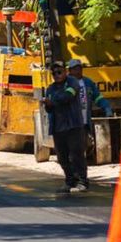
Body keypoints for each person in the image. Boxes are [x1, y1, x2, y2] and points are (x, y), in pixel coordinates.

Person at [42, 61, 89, 193]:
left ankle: (82, 181)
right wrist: (48, 104)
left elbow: (67, 96)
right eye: (54, 73)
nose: (57, 75)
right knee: (62, 157)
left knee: (76, 155)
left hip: (73, 125)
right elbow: (49, 109)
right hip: (58, 128)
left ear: (65, 72)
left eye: (59, 72)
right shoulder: (50, 88)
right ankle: (69, 181)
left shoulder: (72, 82)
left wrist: (52, 101)